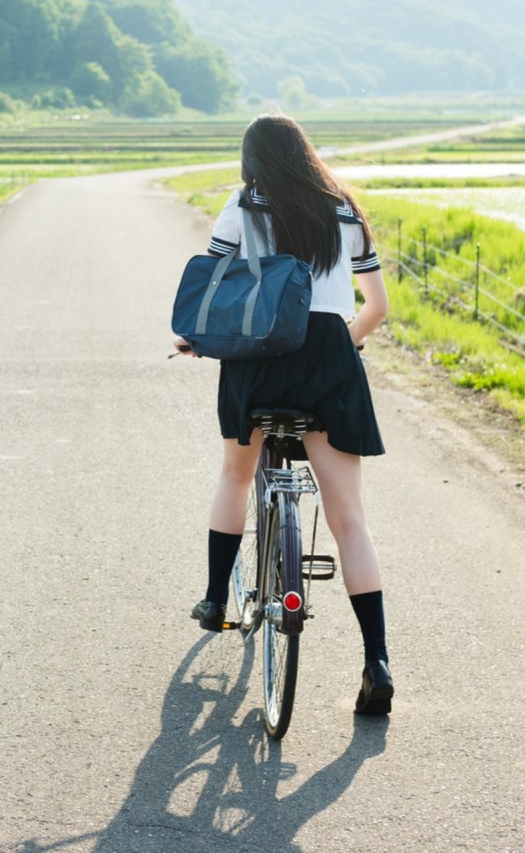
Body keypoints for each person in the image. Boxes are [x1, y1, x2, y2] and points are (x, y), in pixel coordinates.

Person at [176, 112, 393, 716]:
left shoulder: (245, 204)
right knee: (351, 521)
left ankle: (217, 598)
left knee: (236, 474)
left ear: (254, 161)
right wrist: (335, 348)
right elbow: (376, 307)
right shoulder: (344, 209)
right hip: (329, 356)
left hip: (260, 355)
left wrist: (196, 341)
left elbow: (216, 290)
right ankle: (377, 660)